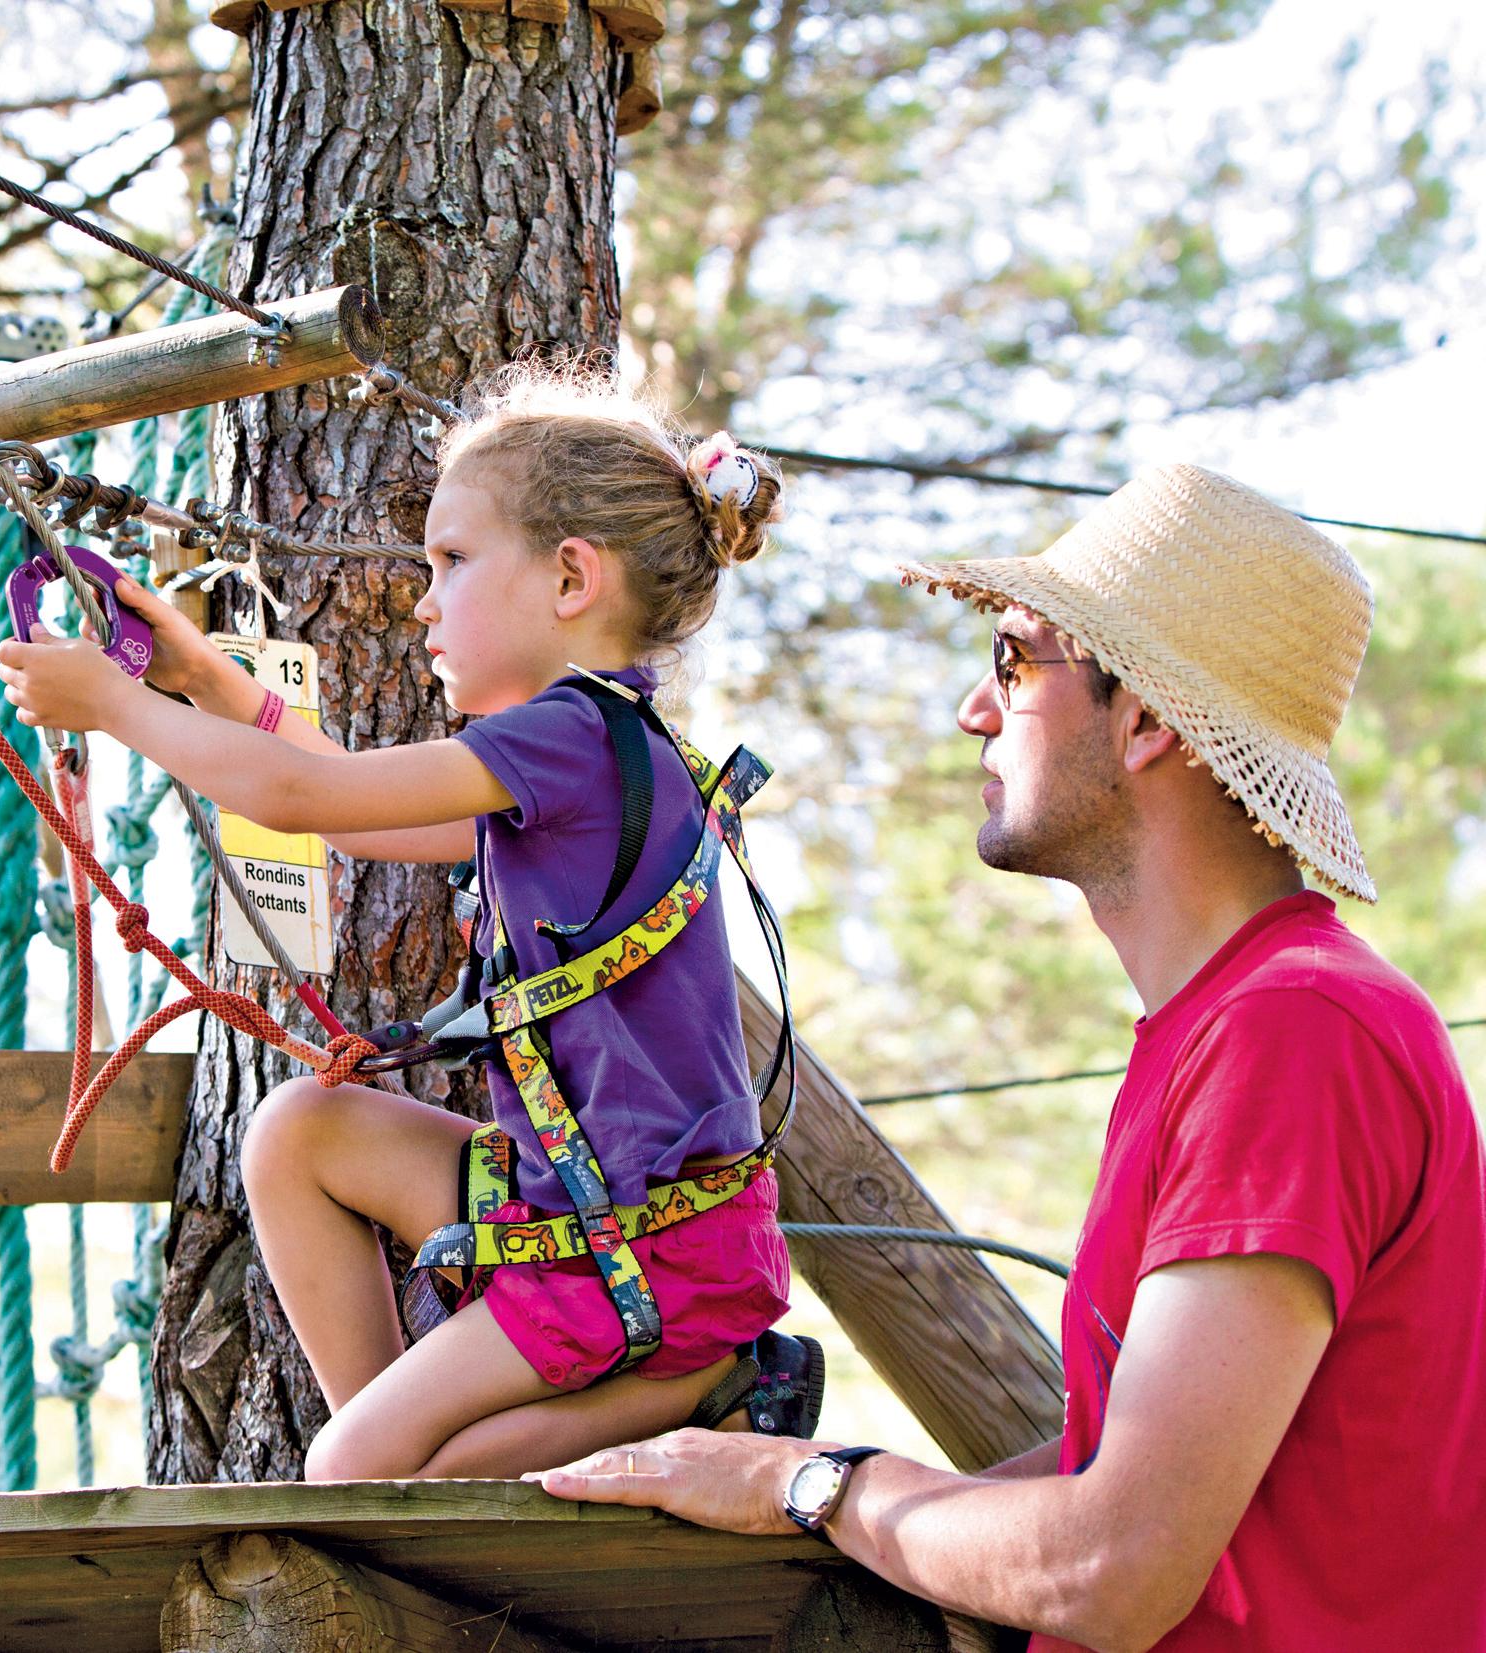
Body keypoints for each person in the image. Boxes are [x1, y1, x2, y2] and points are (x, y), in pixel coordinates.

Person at [530, 463, 1486, 1652]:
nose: (973, 712)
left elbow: (1112, 1568)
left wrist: (811, 1484)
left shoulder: (1293, 1033)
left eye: (1011, 663)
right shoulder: (1242, 1022)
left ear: (1145, 719)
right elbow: (1114, 1477)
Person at [0, 366, 820, 1479]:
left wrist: (120, 709)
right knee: (300, 1133)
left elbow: (301, 801)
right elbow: (353, 804)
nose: (423, 601)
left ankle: (711, 1387)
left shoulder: (569, 737)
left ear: (570, 576)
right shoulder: (597, 758)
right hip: (597, 1211)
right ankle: (390, 1446)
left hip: (642, 1253)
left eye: (450, 562)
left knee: (353, 1480)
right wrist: (203, 680)